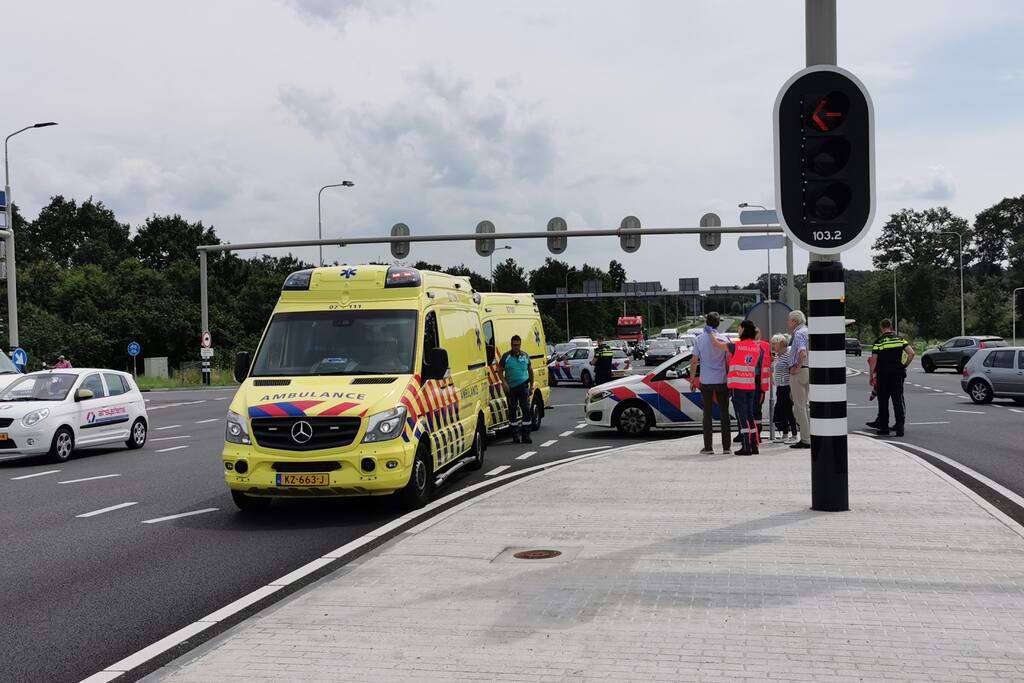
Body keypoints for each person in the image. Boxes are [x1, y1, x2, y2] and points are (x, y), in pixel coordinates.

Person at [707, 319, 765, 456]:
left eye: (739, 328)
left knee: (742, 416)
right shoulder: (757, 347)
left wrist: (710, 333)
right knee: (750, 416)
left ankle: (746, 447)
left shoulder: (736, 346)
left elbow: (717, 344)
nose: (738, 330)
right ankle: (754, 445)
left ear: (744, 329)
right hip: (751, 386)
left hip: (738, 386)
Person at [688, 312, 731, 455]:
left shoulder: (699, 339)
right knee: (724, 414)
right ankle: (726, 447)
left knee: (707, 414)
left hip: (706, 381)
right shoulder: (724, 339)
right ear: (718, 324)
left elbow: (694, 361)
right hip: (721, 380)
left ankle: (708, 447)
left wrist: (693, 379)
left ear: (706, 323)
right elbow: (728, 361)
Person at [867, 319, 914, 436]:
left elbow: (874, 360)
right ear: (891, 327)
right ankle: (900, 428)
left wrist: (871, 374)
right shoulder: (900, 340)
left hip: (883, 375)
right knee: (897, 401)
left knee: (883, 401)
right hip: (897, 375)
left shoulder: (879, 342)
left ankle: (884, 427)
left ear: (882, 328)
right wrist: (904, 365)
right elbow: (911, 353)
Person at [496, 334, 535, 444]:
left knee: (526, 410)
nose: (516, 347)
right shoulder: (506, 356)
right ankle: (515, 436)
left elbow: (530, 371)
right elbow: (499, 371)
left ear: (520, 344)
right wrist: (504, 383)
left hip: (523, 387)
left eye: (517, 345)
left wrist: (531, 386)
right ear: (511, 345)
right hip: (511, 388)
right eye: (514, 345)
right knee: (512, 411)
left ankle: (526, 435)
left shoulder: (525, 356)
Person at [787, 310, 810, 450]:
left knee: (799, 407)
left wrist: (797, 366)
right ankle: (808, 435)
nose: (788, 323)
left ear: (795, 321)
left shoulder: (799, 333)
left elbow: (802, 352)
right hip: (808, 370)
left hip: (800, 371)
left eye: (789, 320)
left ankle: (805, 439)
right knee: (804, 406)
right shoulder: (807, 331)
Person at [771, 334, 798, 443]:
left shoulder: (788, 355)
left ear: (781, 344)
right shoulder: (778, 355)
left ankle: (794, 434)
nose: (773, 346)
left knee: (788, 411)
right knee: (781, 410)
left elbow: (792, 370)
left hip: (787, 386)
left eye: (774, 344)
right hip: (780, 386)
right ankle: (785, 434)